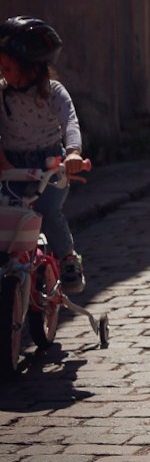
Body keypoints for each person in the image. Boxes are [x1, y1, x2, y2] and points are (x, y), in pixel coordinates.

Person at [0, 17, 88, 294]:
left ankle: (68, 259)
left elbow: (70, 123)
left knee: (49, 211)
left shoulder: (53, 93)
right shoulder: (2, 92)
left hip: (50, 166)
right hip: (11, 165)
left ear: (30, 67)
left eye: (7, 68)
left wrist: (73, 153)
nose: (2, 73)